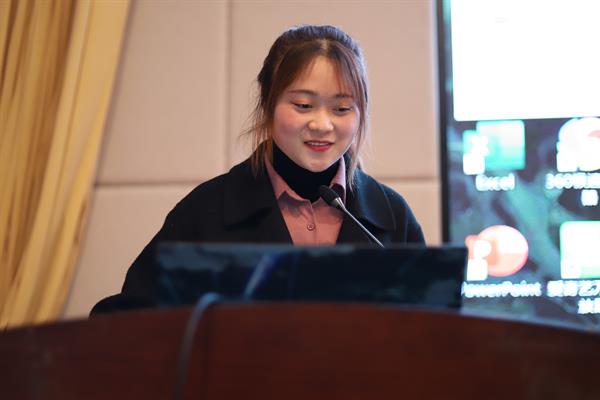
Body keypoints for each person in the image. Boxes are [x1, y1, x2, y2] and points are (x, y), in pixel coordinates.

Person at [91, 25, 424, 315]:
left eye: (341, 108)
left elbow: (431, 333)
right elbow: (128, 323)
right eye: (303, 105)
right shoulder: (205, 212)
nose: (322, 125)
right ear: (267, 103)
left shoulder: (393, 218)